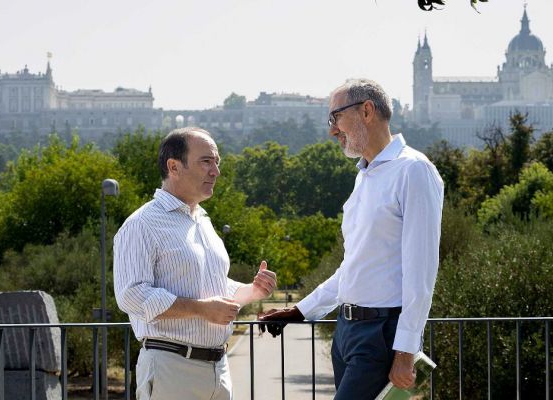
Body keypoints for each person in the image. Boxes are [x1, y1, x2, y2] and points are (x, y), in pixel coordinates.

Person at [259, 78, 444, 399]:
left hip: (382, 334)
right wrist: (300, 311)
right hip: (347, 333)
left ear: (367, 111)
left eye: (335, 118)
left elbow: (422, 271)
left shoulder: (413, 171)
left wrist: (404, 351)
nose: (332, 129)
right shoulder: (365, 175)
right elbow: (354, 266)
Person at [114, 126, 277, 400]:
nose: (216, 171)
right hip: (171, 369)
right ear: (174, 167)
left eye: (217, 162)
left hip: (218, 370)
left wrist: (253, 291)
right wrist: (201, 310)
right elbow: (131, 295)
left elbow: (215, 288)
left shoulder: (203, 222)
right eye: (206, 161)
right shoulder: (141, 224)